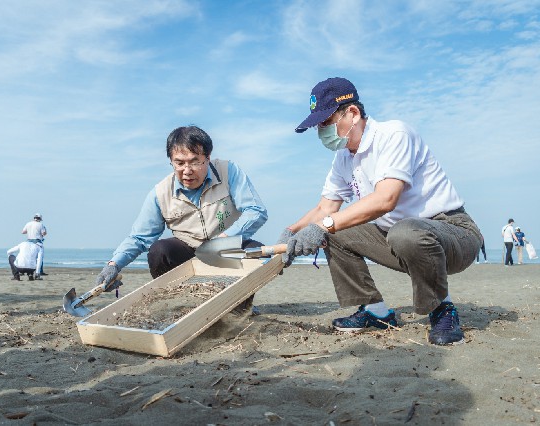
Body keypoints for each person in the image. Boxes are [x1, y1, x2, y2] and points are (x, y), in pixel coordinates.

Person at [280, 77, 482, 346]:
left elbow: (386, 199)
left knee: (403, 231)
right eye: (318, 126)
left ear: (352, 112)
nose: (321, 131)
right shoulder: (343, 158)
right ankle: (375, 312)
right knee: (336, 233)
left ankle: (442, 309)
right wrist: (292, 232)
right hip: (396, 237)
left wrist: (323, 225)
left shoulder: (394, 135)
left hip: (451, 233)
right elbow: (325, 208)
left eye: (326, 122)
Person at [96, 126, 268, 311]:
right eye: (179, 163)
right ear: (171, 161)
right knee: (159, 250)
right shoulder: (160, 192)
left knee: (257, 252)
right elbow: (139, 237)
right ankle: (186, 304)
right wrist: (113, 265)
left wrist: (225, 240)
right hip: (189, 253)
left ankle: (240, 305)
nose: (187, 171)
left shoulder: (228, 171)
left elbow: (256, 211)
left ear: (208, 158)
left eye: (195, 162)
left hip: (227, 249)